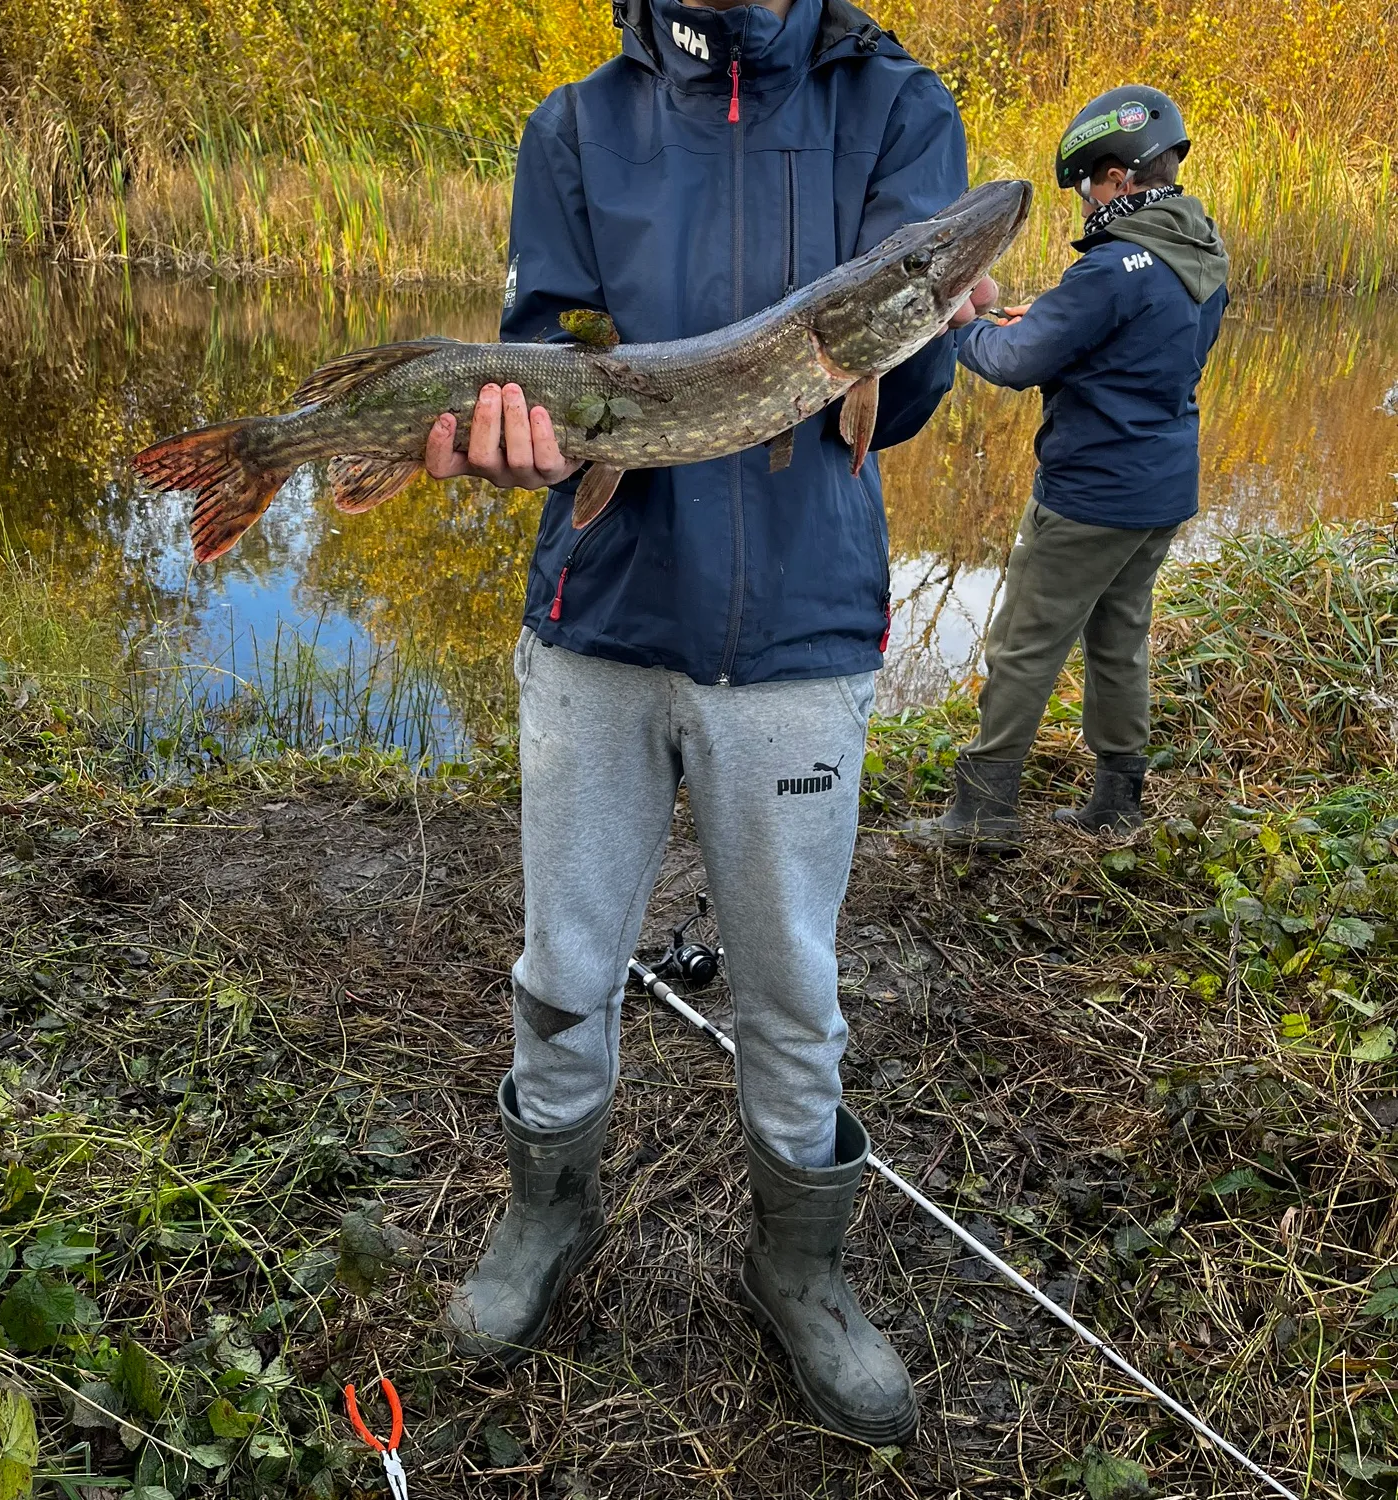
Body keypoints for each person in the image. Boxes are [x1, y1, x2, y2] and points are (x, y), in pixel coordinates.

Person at [421, 0, 993, 1446]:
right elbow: (546, 349)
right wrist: (509, 438)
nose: (961, 248)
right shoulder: (577, 125)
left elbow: (900, 399)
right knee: (562, 958)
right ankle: (546, 1211)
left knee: (792, 986)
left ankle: (799, 1265)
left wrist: (923, 329)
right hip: (599, 620)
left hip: (799, 633)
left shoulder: (895, 108)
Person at [902, 86, 1228, 844]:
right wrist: (1048, 317)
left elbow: (1014, 362)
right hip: (1162, 486)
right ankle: (1118, 802)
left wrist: (963, 323)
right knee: (1120, 639)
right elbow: (1127, 342)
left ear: (1118, 176)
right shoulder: (1198, 247)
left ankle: (981, 811)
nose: (1085, 203)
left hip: (1090, 496)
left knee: (1024, 644)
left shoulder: (1113, 269)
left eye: (1087, 184)